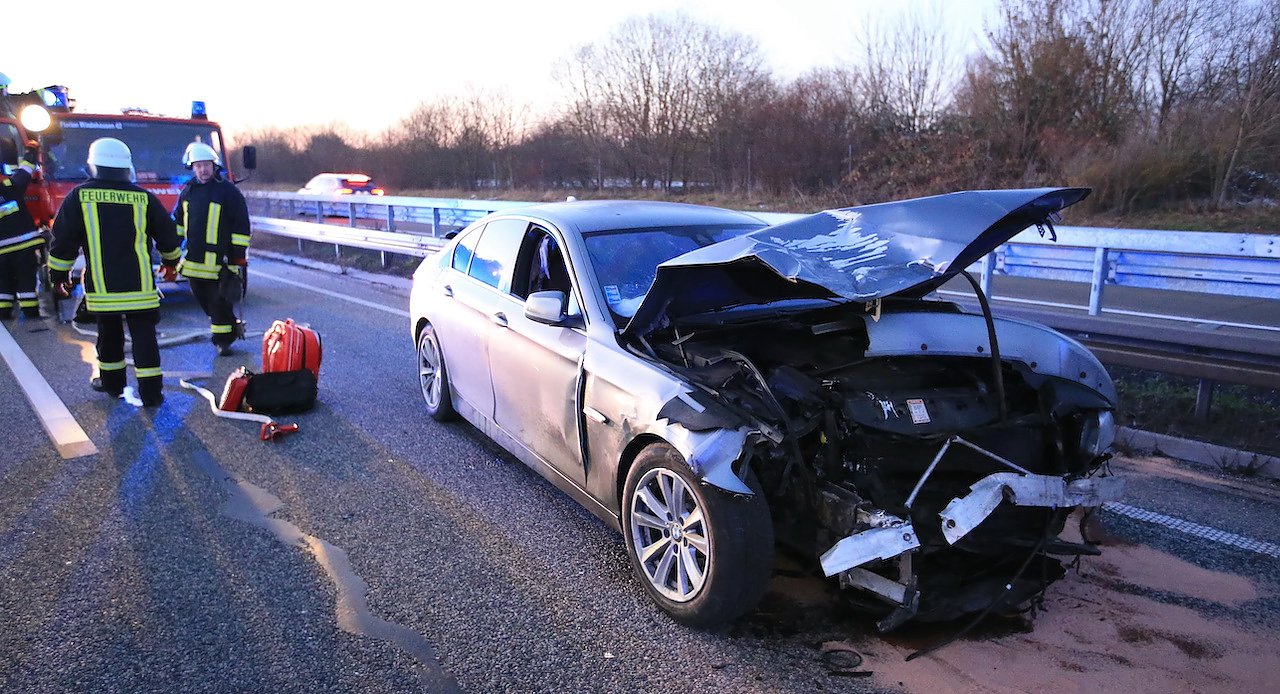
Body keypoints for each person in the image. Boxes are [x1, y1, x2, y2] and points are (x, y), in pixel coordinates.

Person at [47, 137, 181, 406]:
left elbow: (64, 242)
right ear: (126, 167)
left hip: (103, 289)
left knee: (109, 336)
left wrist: (59, 276)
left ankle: (112, 383)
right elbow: (168, 236)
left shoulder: (79, 197)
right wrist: (170, 263)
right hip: (140, 288)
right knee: (145, 338)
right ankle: (152, 393)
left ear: (93, 166)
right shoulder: (144, 197)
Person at [173, 141, 249, 356]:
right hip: (194, 262)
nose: (203, 170)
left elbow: (241, 226)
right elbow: (178, 223)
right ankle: (228, 326)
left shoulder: (228, 192)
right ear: (192, 168)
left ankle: (223, 341)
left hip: (221, 262)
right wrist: (171, 250)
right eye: (198, 166)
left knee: (218, 302)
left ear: (214, 166)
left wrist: (238, 256)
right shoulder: (188, 192)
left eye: (206, 165)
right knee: (205, 301)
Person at [0, 135, 44, 321]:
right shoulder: (9, 185)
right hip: (23, 245)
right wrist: (31, 151)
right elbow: (25, 171)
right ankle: (31, 315)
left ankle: (3, 313)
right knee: (26, 282)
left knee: (3, 283)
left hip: (1, 251)